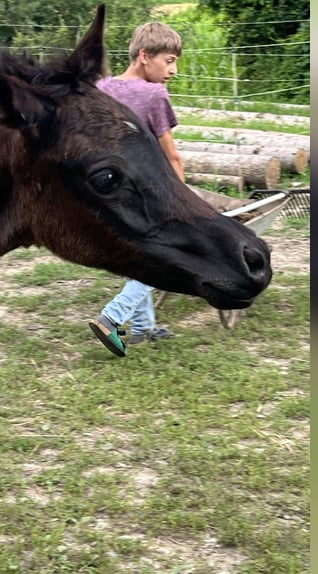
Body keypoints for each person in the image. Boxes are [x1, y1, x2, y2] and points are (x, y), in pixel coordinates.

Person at [88, 21, 185, 357]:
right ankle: (111, 318)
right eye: (169, 60)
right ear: (145, 56)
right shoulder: (155, 95)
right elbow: (171, 154)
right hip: (147, 192)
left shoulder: (101, 87)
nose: (173, 70)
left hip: (108, 192)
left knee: (140, 256)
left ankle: (143, 329)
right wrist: (182, 201)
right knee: (164, 256)